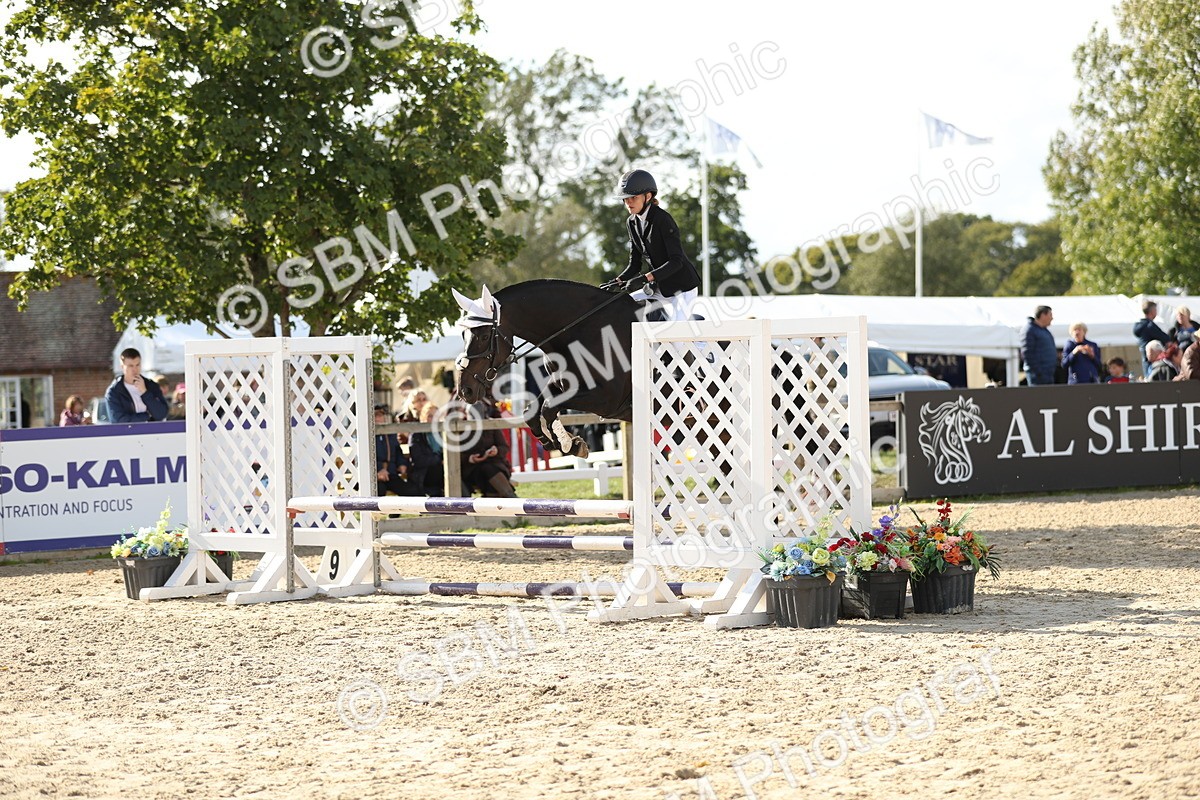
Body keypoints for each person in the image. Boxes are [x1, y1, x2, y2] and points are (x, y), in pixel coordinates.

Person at [606, 169, 702, 322]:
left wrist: (645, 278)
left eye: (633, 197)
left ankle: (695, 327)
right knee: (625, 304)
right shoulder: (631, 222)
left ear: (648, 196)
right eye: (625, 199)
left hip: (682, 287)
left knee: (677, 335)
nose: (628, 202)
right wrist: (617, 281)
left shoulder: (663, 219)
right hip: (658, 286)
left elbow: (676, 261)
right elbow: (635, 264)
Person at [461, 402, 516, 498]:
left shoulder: (491, 424)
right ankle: (511, 497)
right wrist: (470, 458)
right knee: (486, 470)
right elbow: (456, 453)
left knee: (489, 469)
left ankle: (508, 497)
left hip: (495, 464)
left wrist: (496, 450)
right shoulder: (461, 428)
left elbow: (504, 447)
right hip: (472, 468)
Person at [105, 348, 170, 423]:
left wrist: (144, 392)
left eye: (137, 365)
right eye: (130, 366)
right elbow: (118, 420)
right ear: (122, 367)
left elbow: (162, 414)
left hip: (152, 430)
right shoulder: (114, 391)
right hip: (129, 430)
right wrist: (147, 415)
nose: (135, 369)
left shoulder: (151, 385)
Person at [374, 404, 420, 496]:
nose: (377, 418)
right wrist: (378, 470)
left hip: (391, 474)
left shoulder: (390, 434)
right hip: (373, 477)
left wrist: (402, 464)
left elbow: (397, 451)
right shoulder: (365, 436)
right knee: (378, 491)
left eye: (380, 415)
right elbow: (364, 459)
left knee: (413, 491)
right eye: (375, 415)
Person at [408, 402, 444, 496]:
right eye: (430, 416)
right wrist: (439, 460)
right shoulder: (416, 434)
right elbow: (418, 460)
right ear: (423, 417)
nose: (433, 420)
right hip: (423, 474)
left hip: (441, 472)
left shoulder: (442, 434)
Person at [1020, 305, 1057, 386]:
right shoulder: (1029, 330)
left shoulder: (1045, 330)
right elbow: (1027, 353)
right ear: (1043, 315)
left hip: (1048, 374)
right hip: (1037, 376)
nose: (1052, 318)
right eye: (1050, 315)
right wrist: (1039, 372)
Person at [1134, 300, 1171, 378]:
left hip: (1144, 356)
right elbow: (1165, 338)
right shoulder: (1150, 326)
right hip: (1153, 357)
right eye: (1155, 310)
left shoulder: (1140, 326)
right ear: (1152, 311)